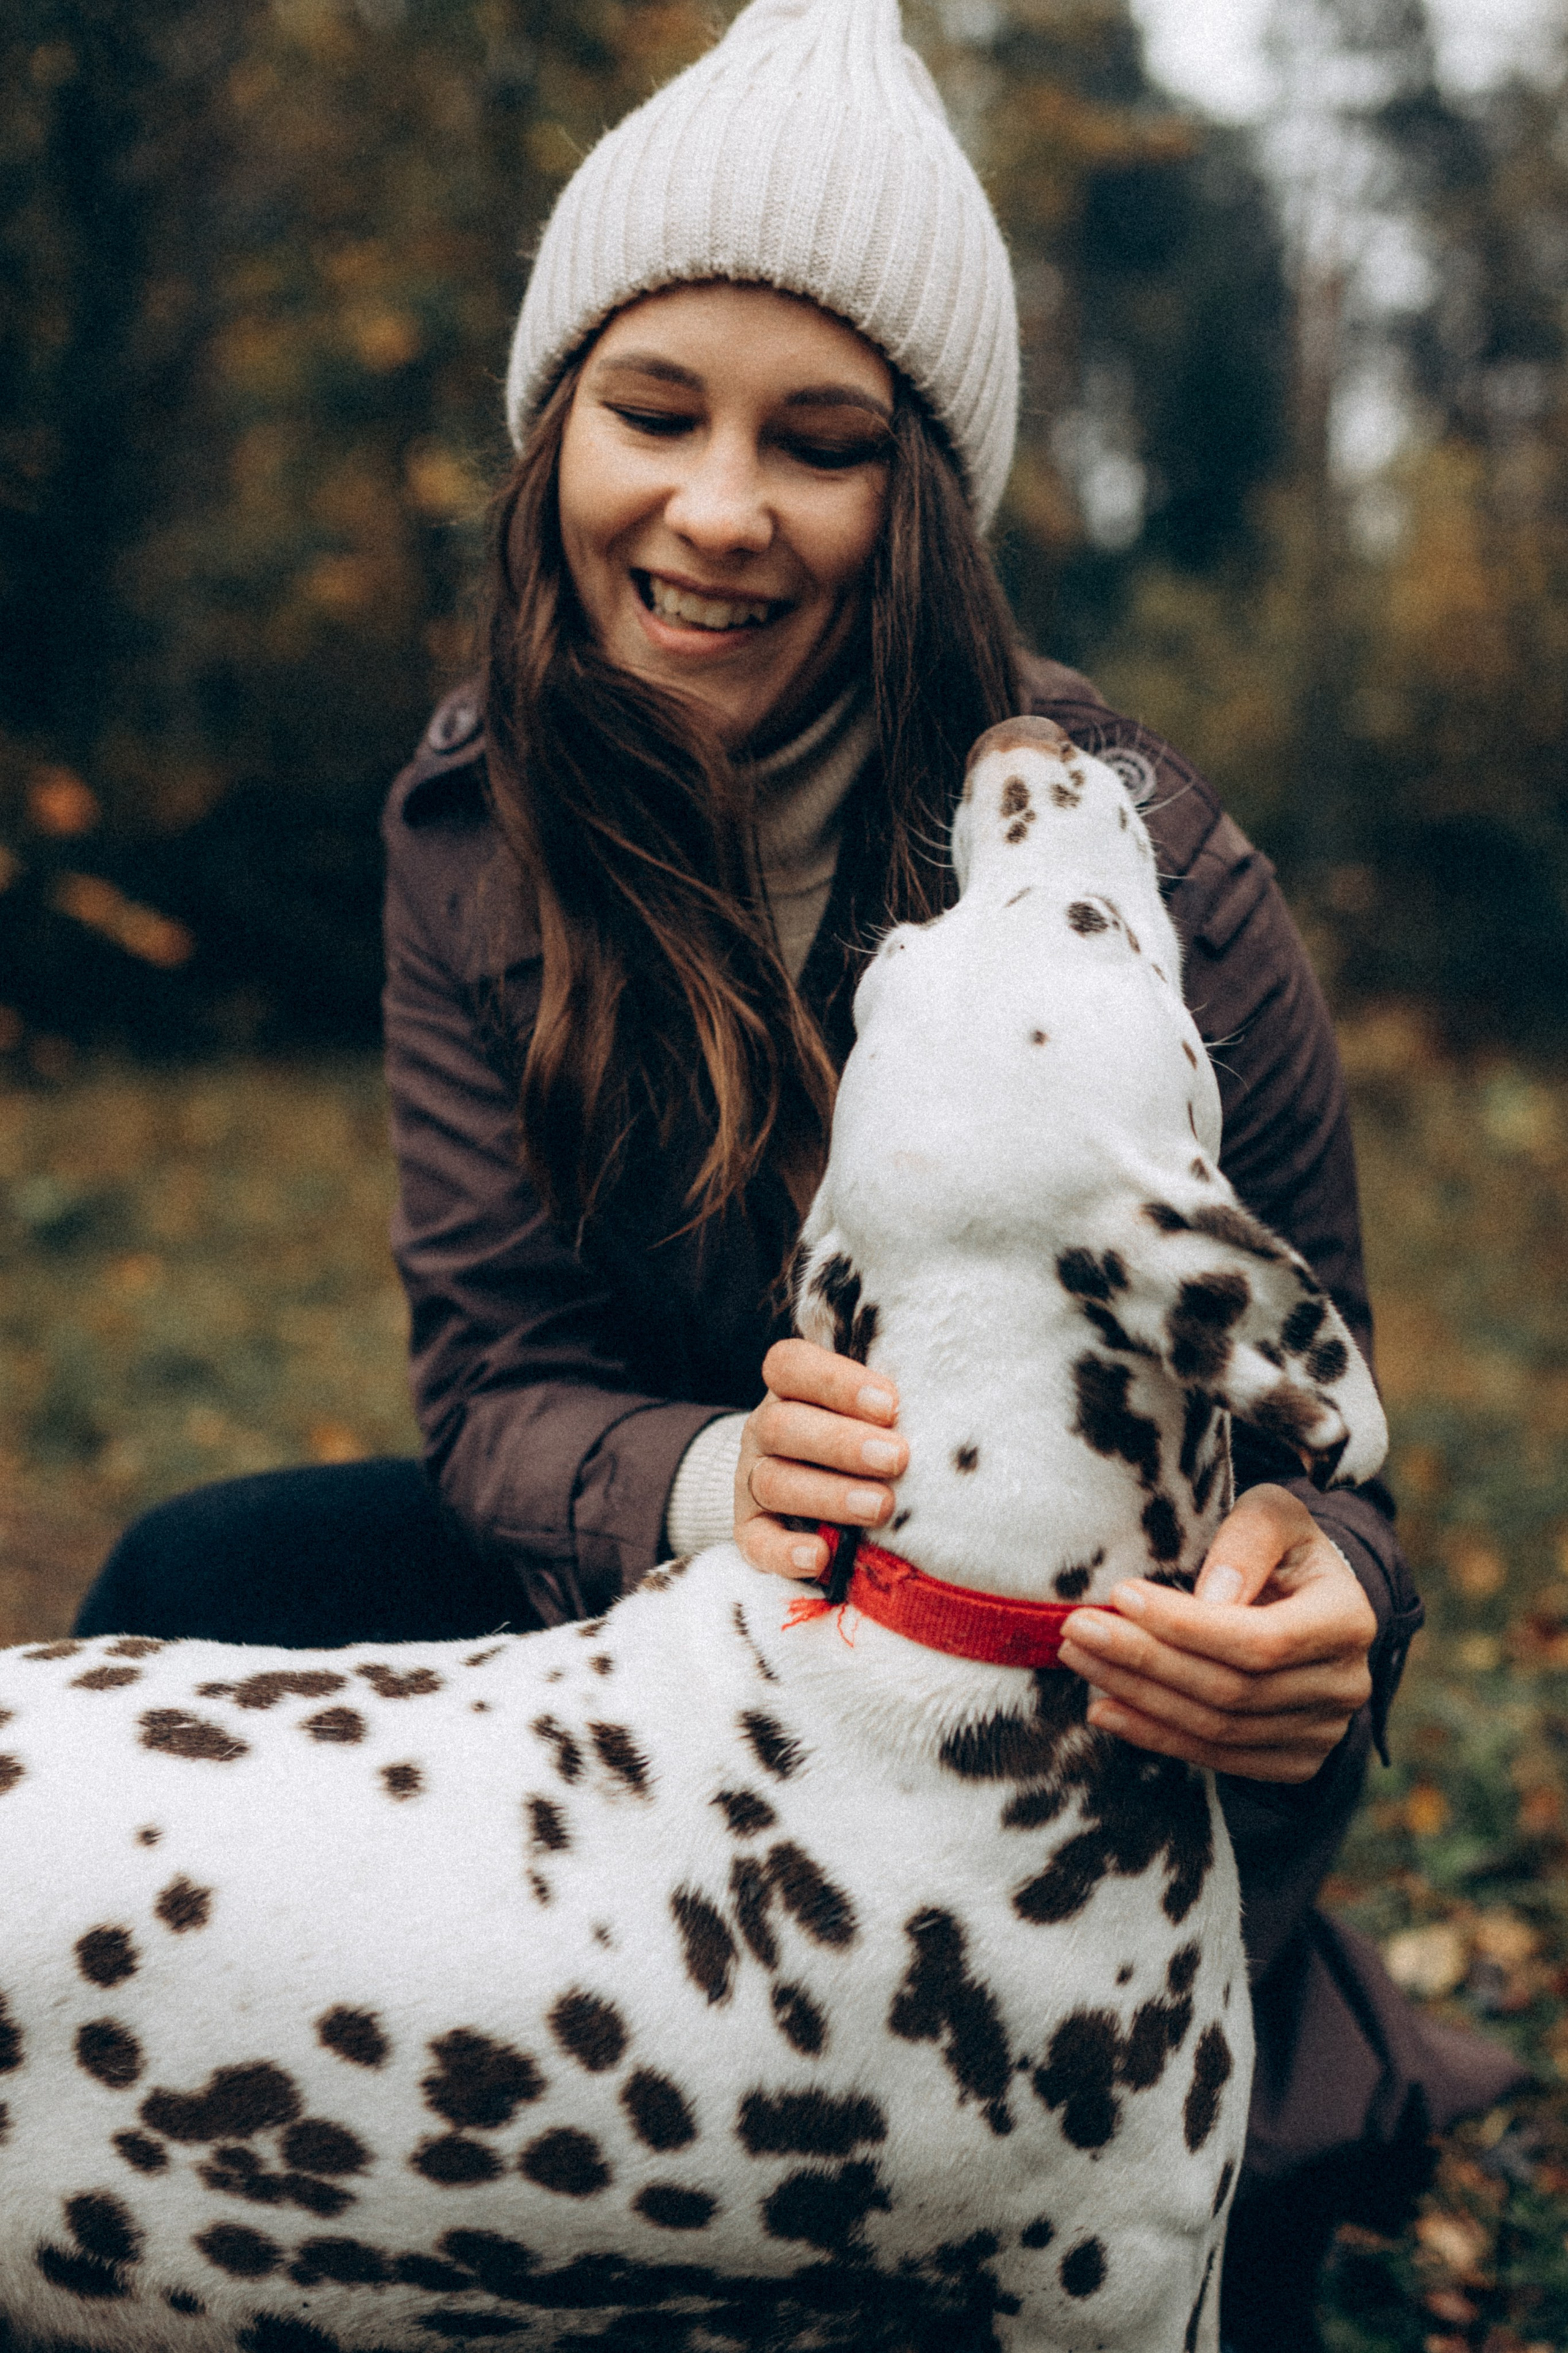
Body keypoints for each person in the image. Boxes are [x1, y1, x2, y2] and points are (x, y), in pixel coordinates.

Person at [75, 0, 1525, 2341]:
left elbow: (1321, 1429)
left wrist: (1318, 1598)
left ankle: (1265, 2063)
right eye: (655, 413)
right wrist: (706, 1473)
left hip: (1053, 1710)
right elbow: (500, 1385)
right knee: (204, 1570)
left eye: (821, 442)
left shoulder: (1134, 869)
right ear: (559, 430)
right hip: (665, 1635)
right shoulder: (471, 823)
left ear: (921, 494)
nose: (720, 508)